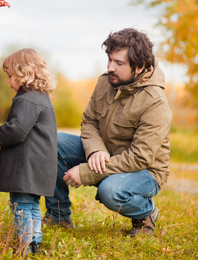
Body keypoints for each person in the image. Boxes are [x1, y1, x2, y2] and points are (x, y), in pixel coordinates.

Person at [43, 28, 172, 237]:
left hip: (145, 171)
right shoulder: (106, 82)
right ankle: (58, 216)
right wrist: (95, 150)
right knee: (52, 143)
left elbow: (140, 158)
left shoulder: (155, 102)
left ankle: (146, 213)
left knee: (110, 191)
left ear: (138, 68)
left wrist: (86, 172)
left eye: (119, 63)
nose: (110, 67)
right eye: (109, 59)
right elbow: (89, 121)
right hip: (106, 155)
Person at [0, 48, 58, 255]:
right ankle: (34, 244)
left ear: (23, 72)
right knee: (32, 206)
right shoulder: (41, 98)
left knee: (21, 207)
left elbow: (17, 130)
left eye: (9, 76)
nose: (8, 81)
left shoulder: (26, 100)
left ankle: (23, 247)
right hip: (39, 166)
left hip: (26, 167)